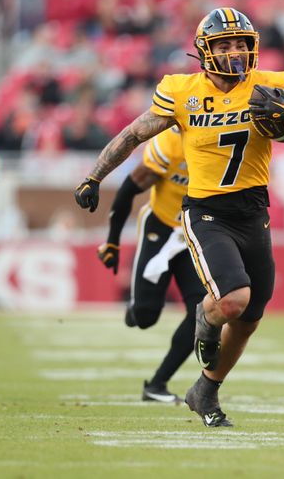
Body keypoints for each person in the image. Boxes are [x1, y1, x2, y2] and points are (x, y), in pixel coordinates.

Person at [75, 7, 284, 426]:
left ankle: (205, 389)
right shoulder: (181, 90)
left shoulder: (271, 85)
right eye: (225, 44)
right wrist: (95, 175)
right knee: (232, 300)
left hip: (254, 210)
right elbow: (134, 133)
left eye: (241, 43)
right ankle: (203, 320)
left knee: (249, 319)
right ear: (205, 51)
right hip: (206, 212)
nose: (235, 52)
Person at [97, 127, 206, 403]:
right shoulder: (169, 146)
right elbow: (127, 190)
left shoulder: (223, 145)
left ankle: (157, 384)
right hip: (160, 226)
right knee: (145, 317)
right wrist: (112, 241)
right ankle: (137, 309)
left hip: (197, 234)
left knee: (201, 313)